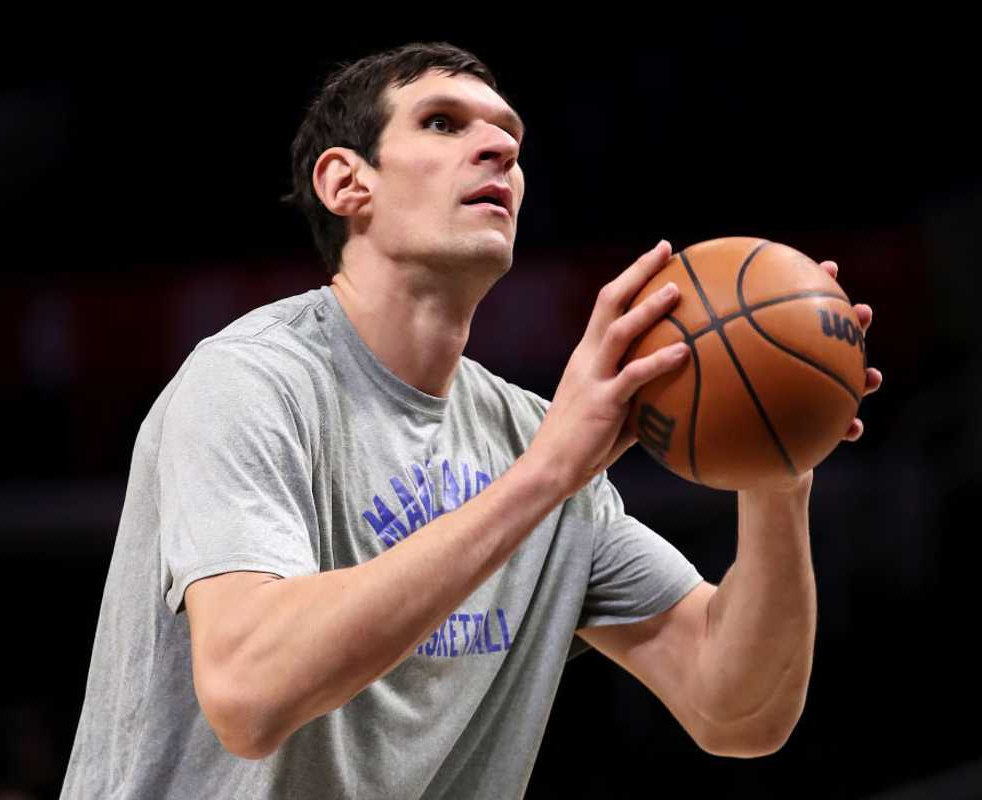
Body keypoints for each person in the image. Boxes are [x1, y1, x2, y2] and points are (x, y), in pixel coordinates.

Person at [60, 41, 882, 798]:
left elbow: (736, 711)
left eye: (509, 137)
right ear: (347, 183)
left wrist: (777, 470)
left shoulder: (536, 438)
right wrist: (547, 475)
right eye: (444, 124)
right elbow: (248, 693)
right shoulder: (251, 382)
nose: (499, 150)